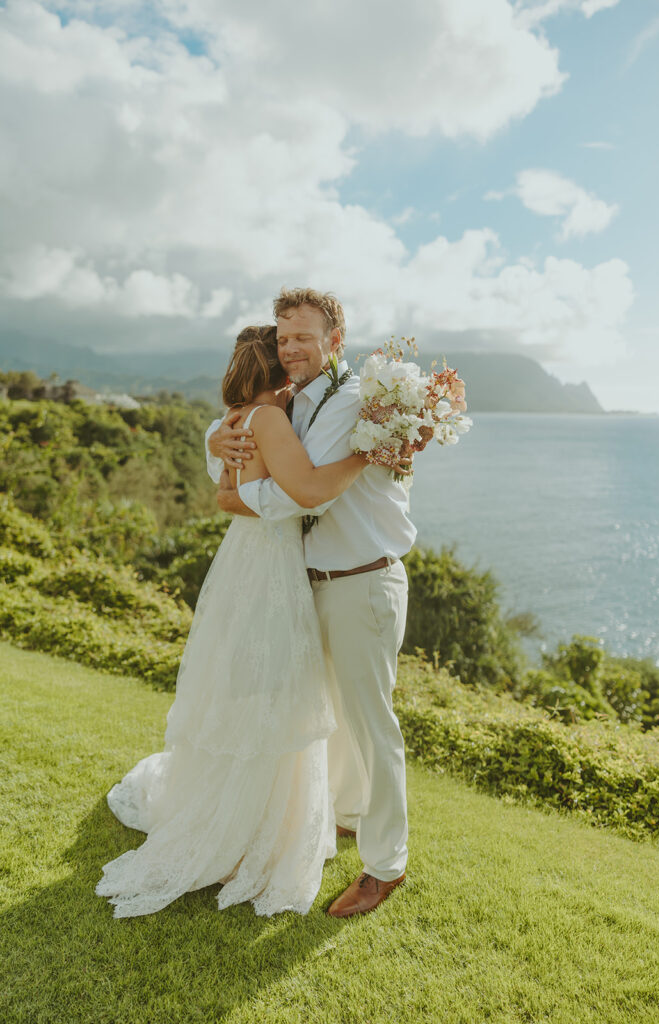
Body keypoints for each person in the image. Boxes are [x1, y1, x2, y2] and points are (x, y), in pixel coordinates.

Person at [95, 325, 369, 918]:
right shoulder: (267, 420)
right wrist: (371, 452)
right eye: (288, 354)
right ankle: (252, 829)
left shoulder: (236, 417)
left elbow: (226, 489)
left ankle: (248, 811)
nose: (296, 362)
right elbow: (309, 489)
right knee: (279, 692)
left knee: (247, 687)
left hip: (242, 560)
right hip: (270, 563)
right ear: (277, 367)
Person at [208, 287, 465, 918]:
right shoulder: (296, 398)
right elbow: (242, 421)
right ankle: (349, 815)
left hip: (363, 579)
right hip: (310, 582)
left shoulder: (354, 401)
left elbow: (309, 492)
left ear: (334, 342)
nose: (289, 347)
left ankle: (385, 867)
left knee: (373, 725)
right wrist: (220, 438)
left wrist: (240, 501)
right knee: (335, 716)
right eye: (283, 337)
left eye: (303, 337)